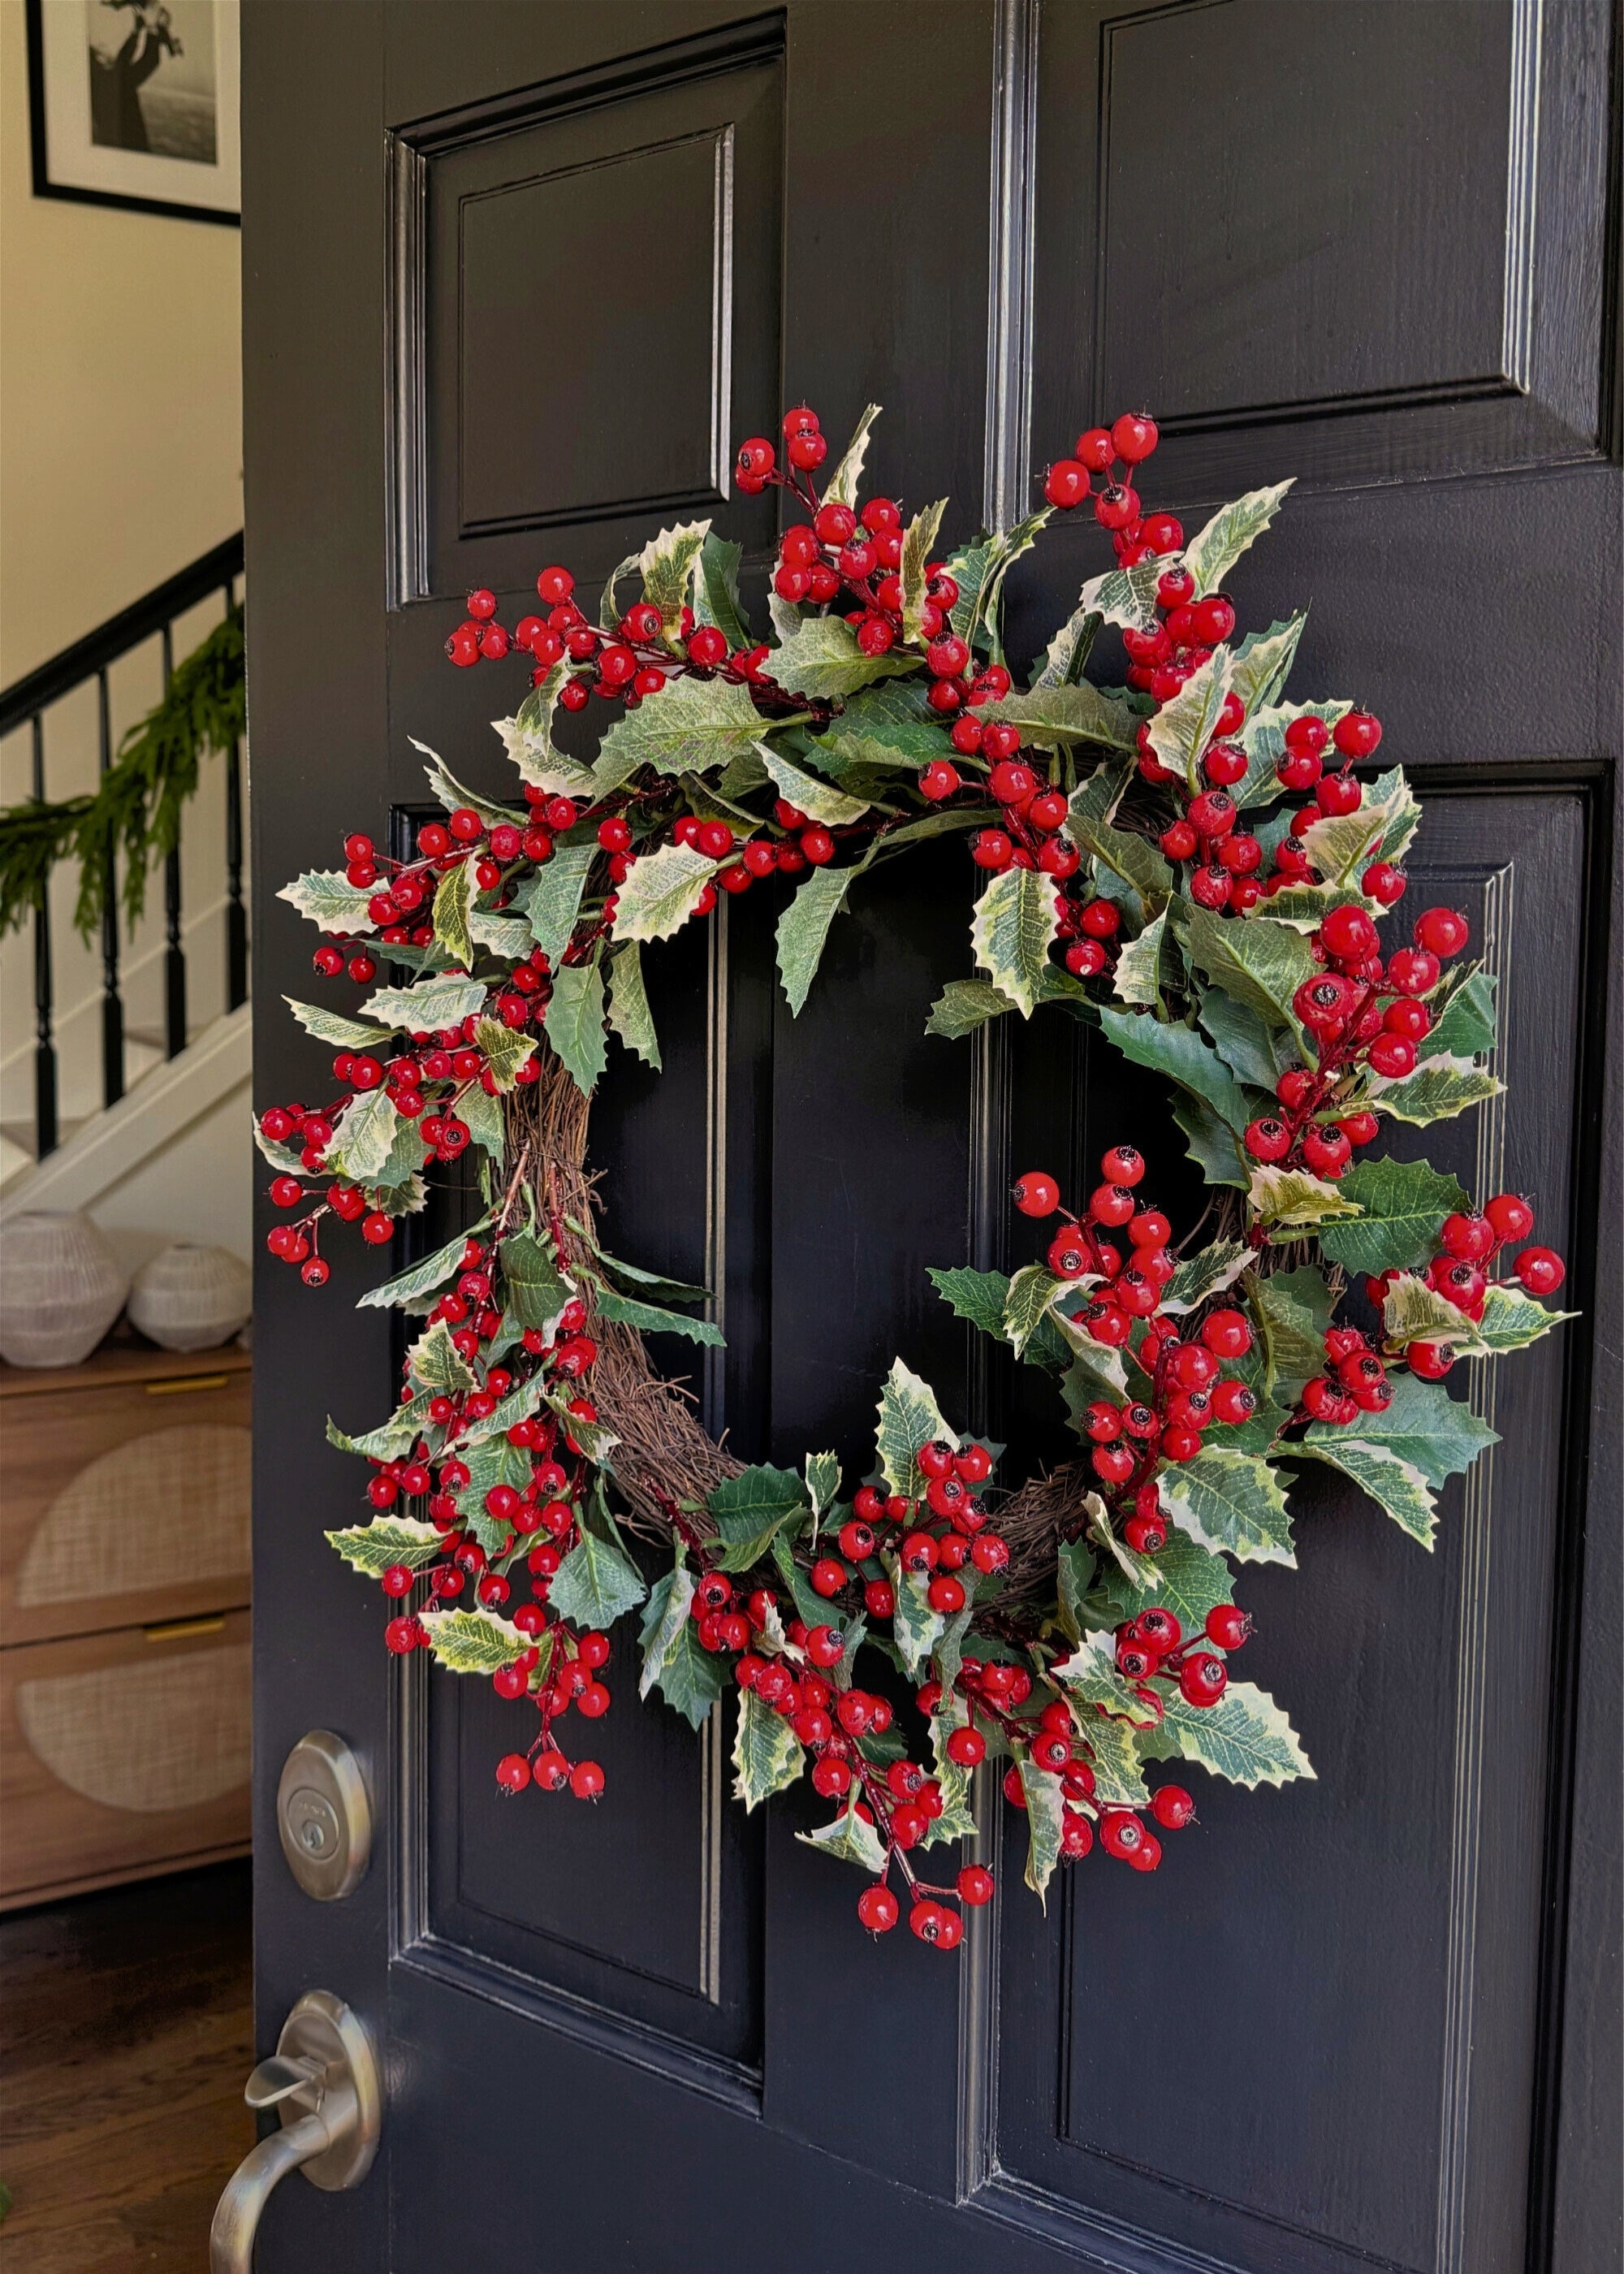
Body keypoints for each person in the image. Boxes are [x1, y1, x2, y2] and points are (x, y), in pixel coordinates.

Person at [88, 1, 182, 155]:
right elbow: (143, 62)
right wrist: (153, 31)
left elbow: (125, 62)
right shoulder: (112, 80)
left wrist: (144, 31)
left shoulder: (108, 75)